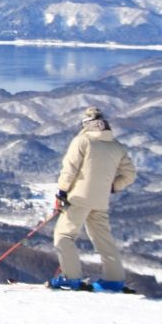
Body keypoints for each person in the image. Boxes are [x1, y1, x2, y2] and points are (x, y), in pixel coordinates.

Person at [50, 107, 136, 292]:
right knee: (103, 239)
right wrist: (113, 186)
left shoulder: (82, 141)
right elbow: (130, 174)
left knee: (64, 236)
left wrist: (62, 191)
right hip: (101, 200)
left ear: (86, 125)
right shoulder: (116, 146)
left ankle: (71, 278)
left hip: (79, 197)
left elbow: (69, 169)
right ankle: (114, 280)